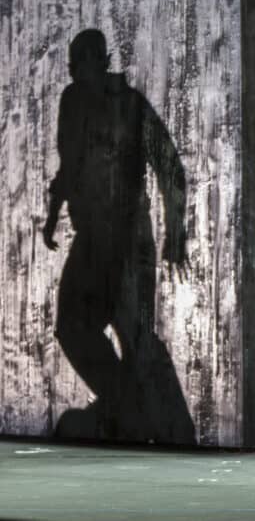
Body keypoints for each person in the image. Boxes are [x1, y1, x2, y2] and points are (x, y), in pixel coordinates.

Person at [42, 29, 195, 443]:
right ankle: (126, 408)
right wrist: (53, 214)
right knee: (73, 326)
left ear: (103, 62)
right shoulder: (72, 104)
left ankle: (172, 430)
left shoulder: (130, 106)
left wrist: (176, 231)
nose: (80, 72)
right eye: (75, 65)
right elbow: (69, 165)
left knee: (137, 337)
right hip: (92, 239)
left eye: (88, 61)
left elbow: (169, 165)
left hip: (129, 241)